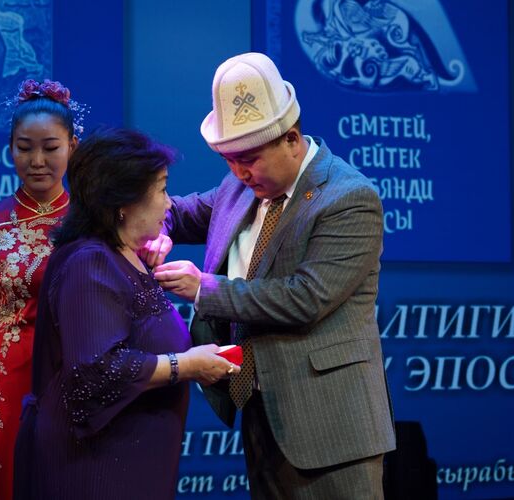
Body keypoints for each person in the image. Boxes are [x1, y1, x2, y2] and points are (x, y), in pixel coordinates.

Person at [153, 52, 396, 498]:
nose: (239, 172)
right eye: (229, 159)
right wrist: (155, 230)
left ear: (292, 139)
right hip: (264, 412)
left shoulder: (349, 198)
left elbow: (305, 298)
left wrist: (204, 288)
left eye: (250, 158)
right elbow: (180, 213)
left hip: (333, 425)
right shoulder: (239, 187)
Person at [12, 128, 238, 500]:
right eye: (162, 190)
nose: (169, 205)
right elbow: (97, 370)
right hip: (93, 468)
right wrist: (187, 365)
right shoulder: (89, 263)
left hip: (132, 459)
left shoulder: (128, 254)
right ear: (124, 203)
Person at [0, 78, 81, 500]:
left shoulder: (91, 224)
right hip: (5, 375)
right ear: (10, 149)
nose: (37, 161)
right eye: (25, 148)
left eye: (51, 148)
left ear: (72, 147)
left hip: (76, 369)